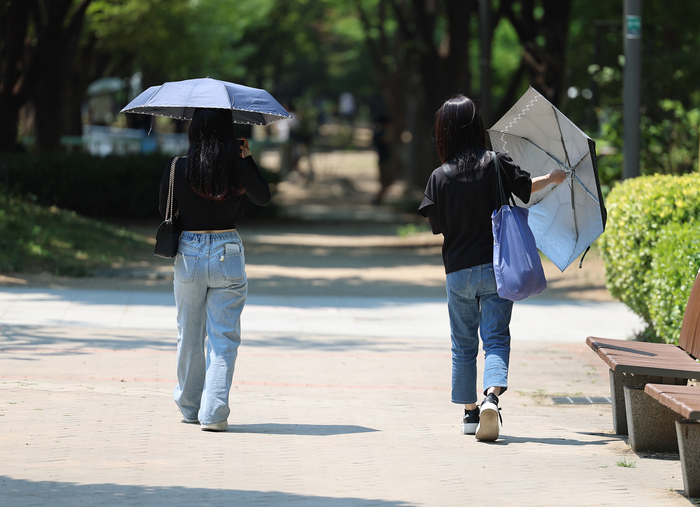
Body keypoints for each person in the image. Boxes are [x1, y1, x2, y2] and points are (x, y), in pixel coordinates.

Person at [418, 95, 565, 441]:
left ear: (444, 132)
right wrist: (554, 177)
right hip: (499, 268)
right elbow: (526, 189)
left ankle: (469, 414)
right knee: (496, 337)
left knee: (463, 343)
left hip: (458, 271)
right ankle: (491, 398)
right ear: (477, 126)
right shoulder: (497, 163)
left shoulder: (438, 177)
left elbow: (437, 226)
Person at [159, 108, 271, 432]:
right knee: (223, 338)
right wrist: (246, 158)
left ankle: (190, 407)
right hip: (228, 249)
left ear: (194, 129)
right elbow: (263, 197)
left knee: (189, 333)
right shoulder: (236, 164)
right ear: (228, 128)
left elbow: (163, 208)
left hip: (189, 252)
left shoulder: (178, 166)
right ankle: (214, 413)